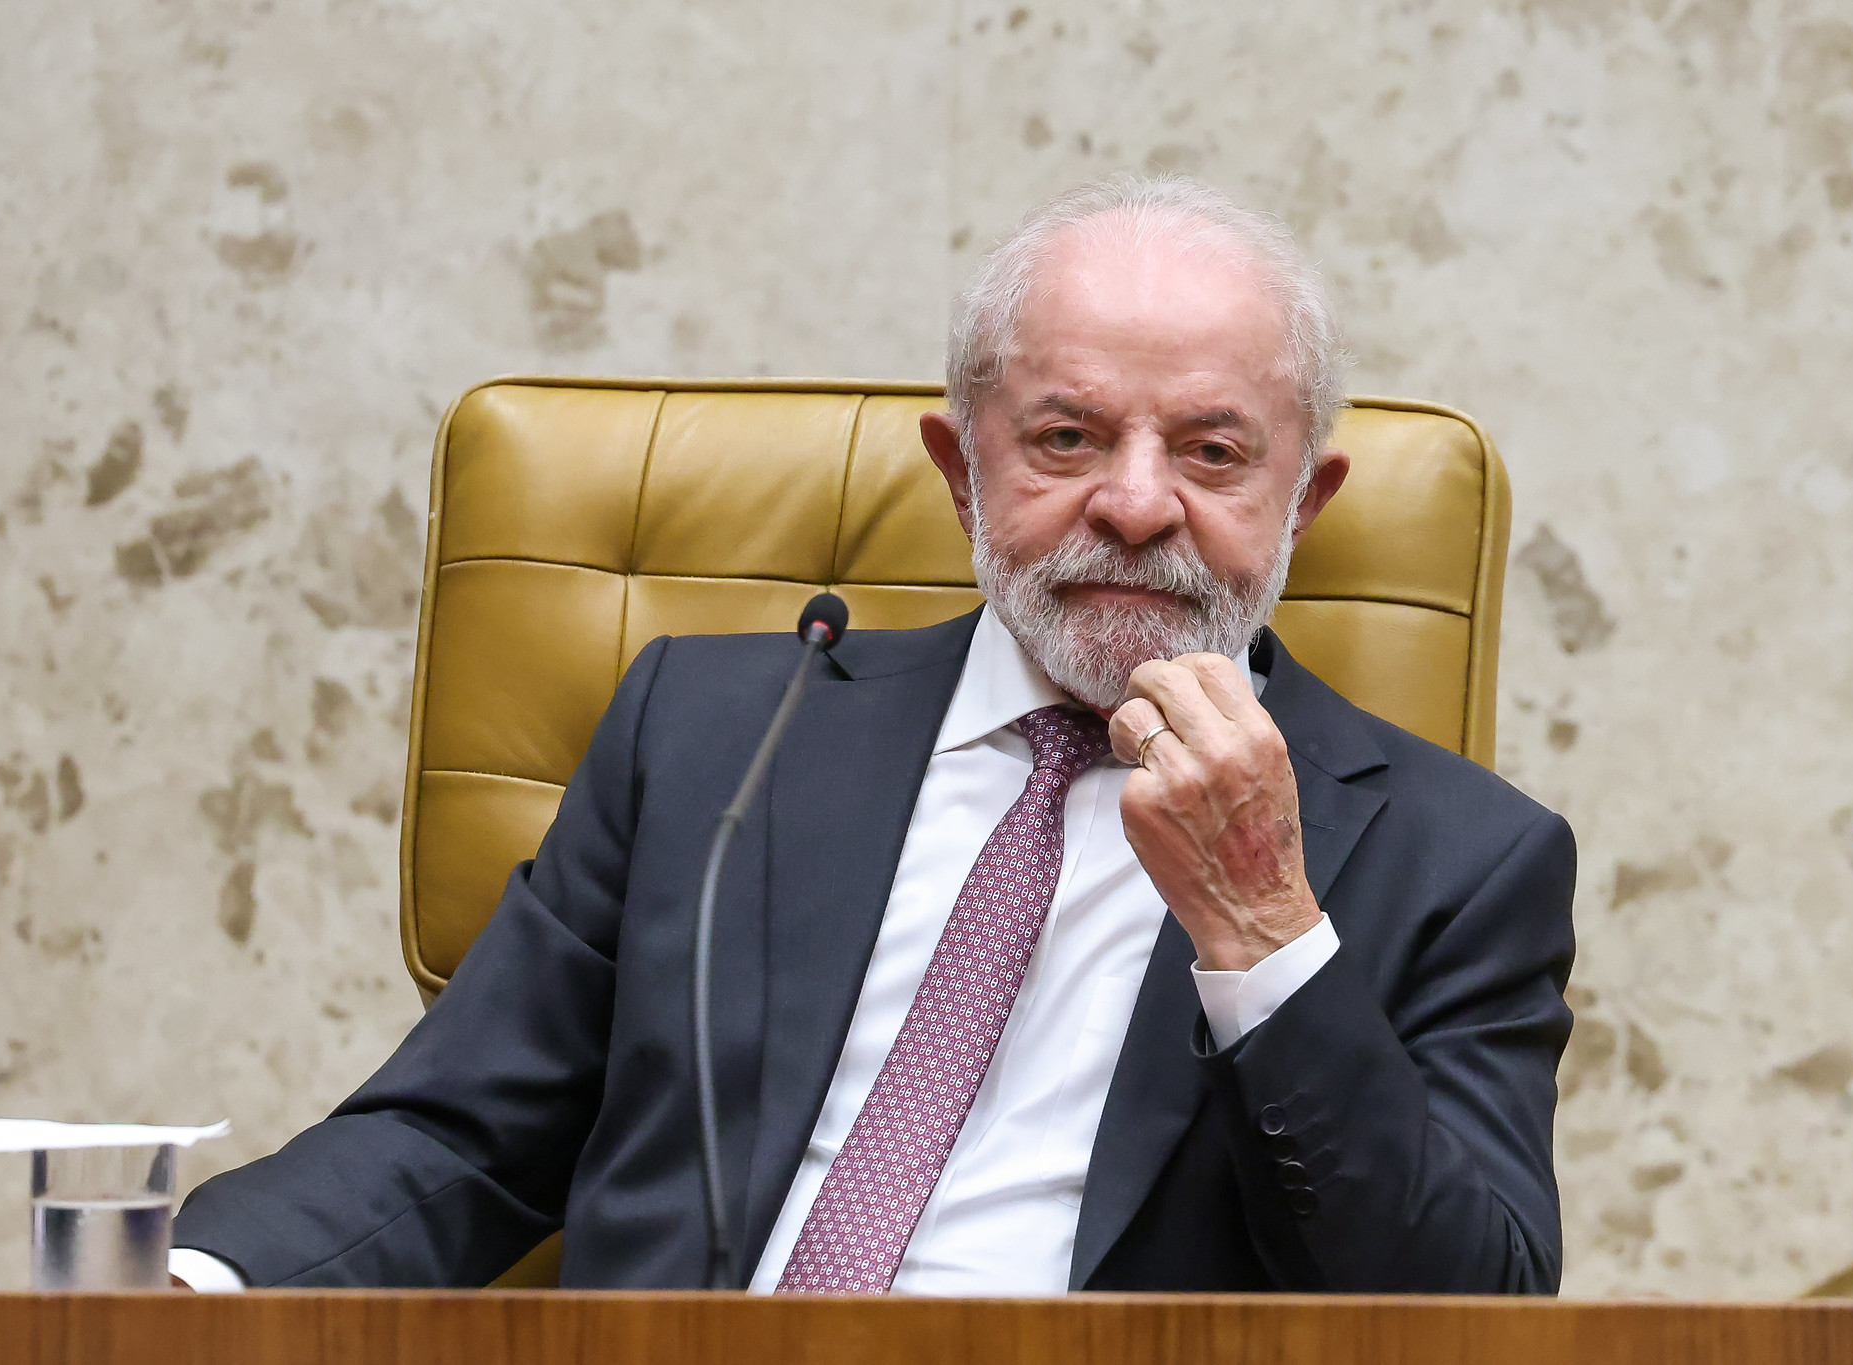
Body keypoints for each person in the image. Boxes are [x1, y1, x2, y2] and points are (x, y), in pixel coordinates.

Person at [169, 175, 1577, 1295]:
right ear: (961, 473)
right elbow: (459, 1136)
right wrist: (180, 1290)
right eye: (1068, 439)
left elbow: (1466, 1310)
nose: (1138, 505)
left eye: (1213, 453)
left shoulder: (1461, 861)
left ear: (1303, 503)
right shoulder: (715, 738)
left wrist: (1263, 928)